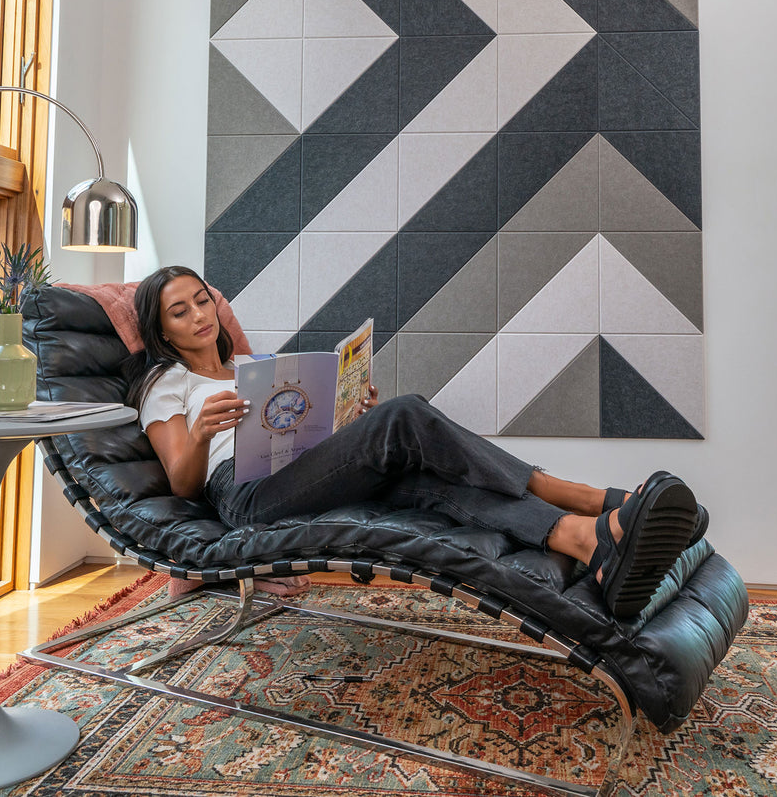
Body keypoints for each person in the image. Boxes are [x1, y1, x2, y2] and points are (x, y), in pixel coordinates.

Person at [126, 264, 704, 620]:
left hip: (295, 471)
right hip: (246, 497)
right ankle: (585, 498)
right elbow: (182, 478)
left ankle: (586, 543)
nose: (200, 314)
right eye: (180, 311)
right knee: (405, 416)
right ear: (162, 330)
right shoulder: (167, 384)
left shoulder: (254, 364)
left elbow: (303, 435)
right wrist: (202, 431)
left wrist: (351, 416)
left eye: (203, 299)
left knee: (422, 474)